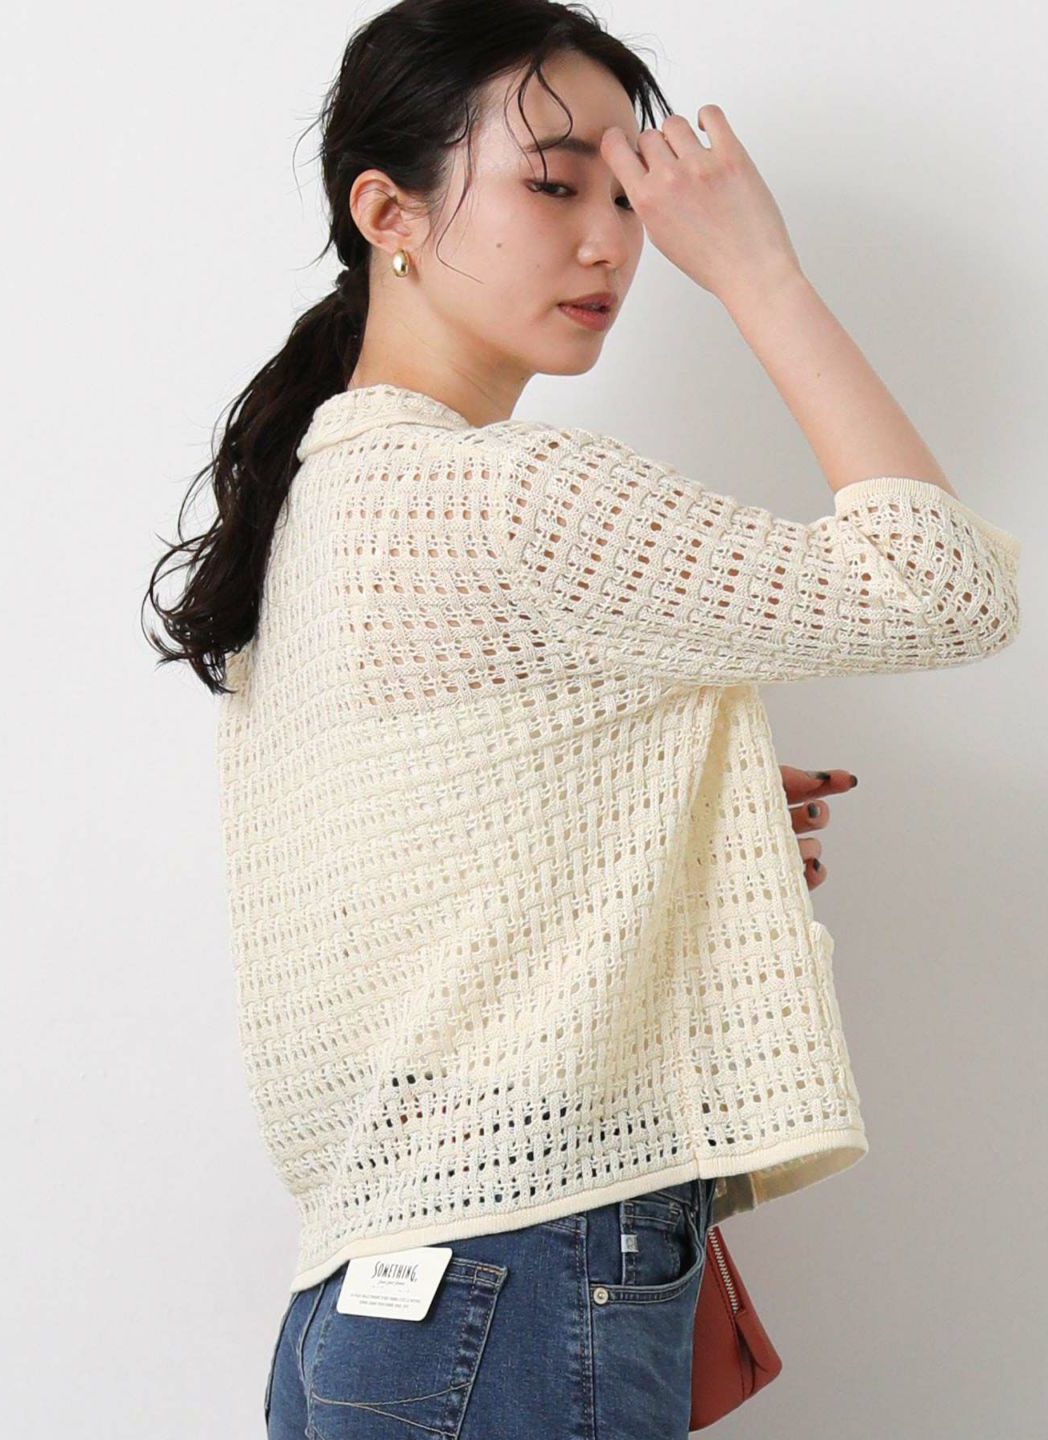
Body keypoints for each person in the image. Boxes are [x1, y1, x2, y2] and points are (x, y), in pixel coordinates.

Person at [143, 3, 1022, 1436]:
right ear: (388, 211)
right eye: (556, 186)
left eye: (629, 199)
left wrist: (680, 822)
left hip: (365, 1306)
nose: (612, 243)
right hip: (515, 1282)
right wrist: (761, 273)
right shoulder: (516, 497)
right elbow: (945, 588)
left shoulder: (305, 515)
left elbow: (416, 874)